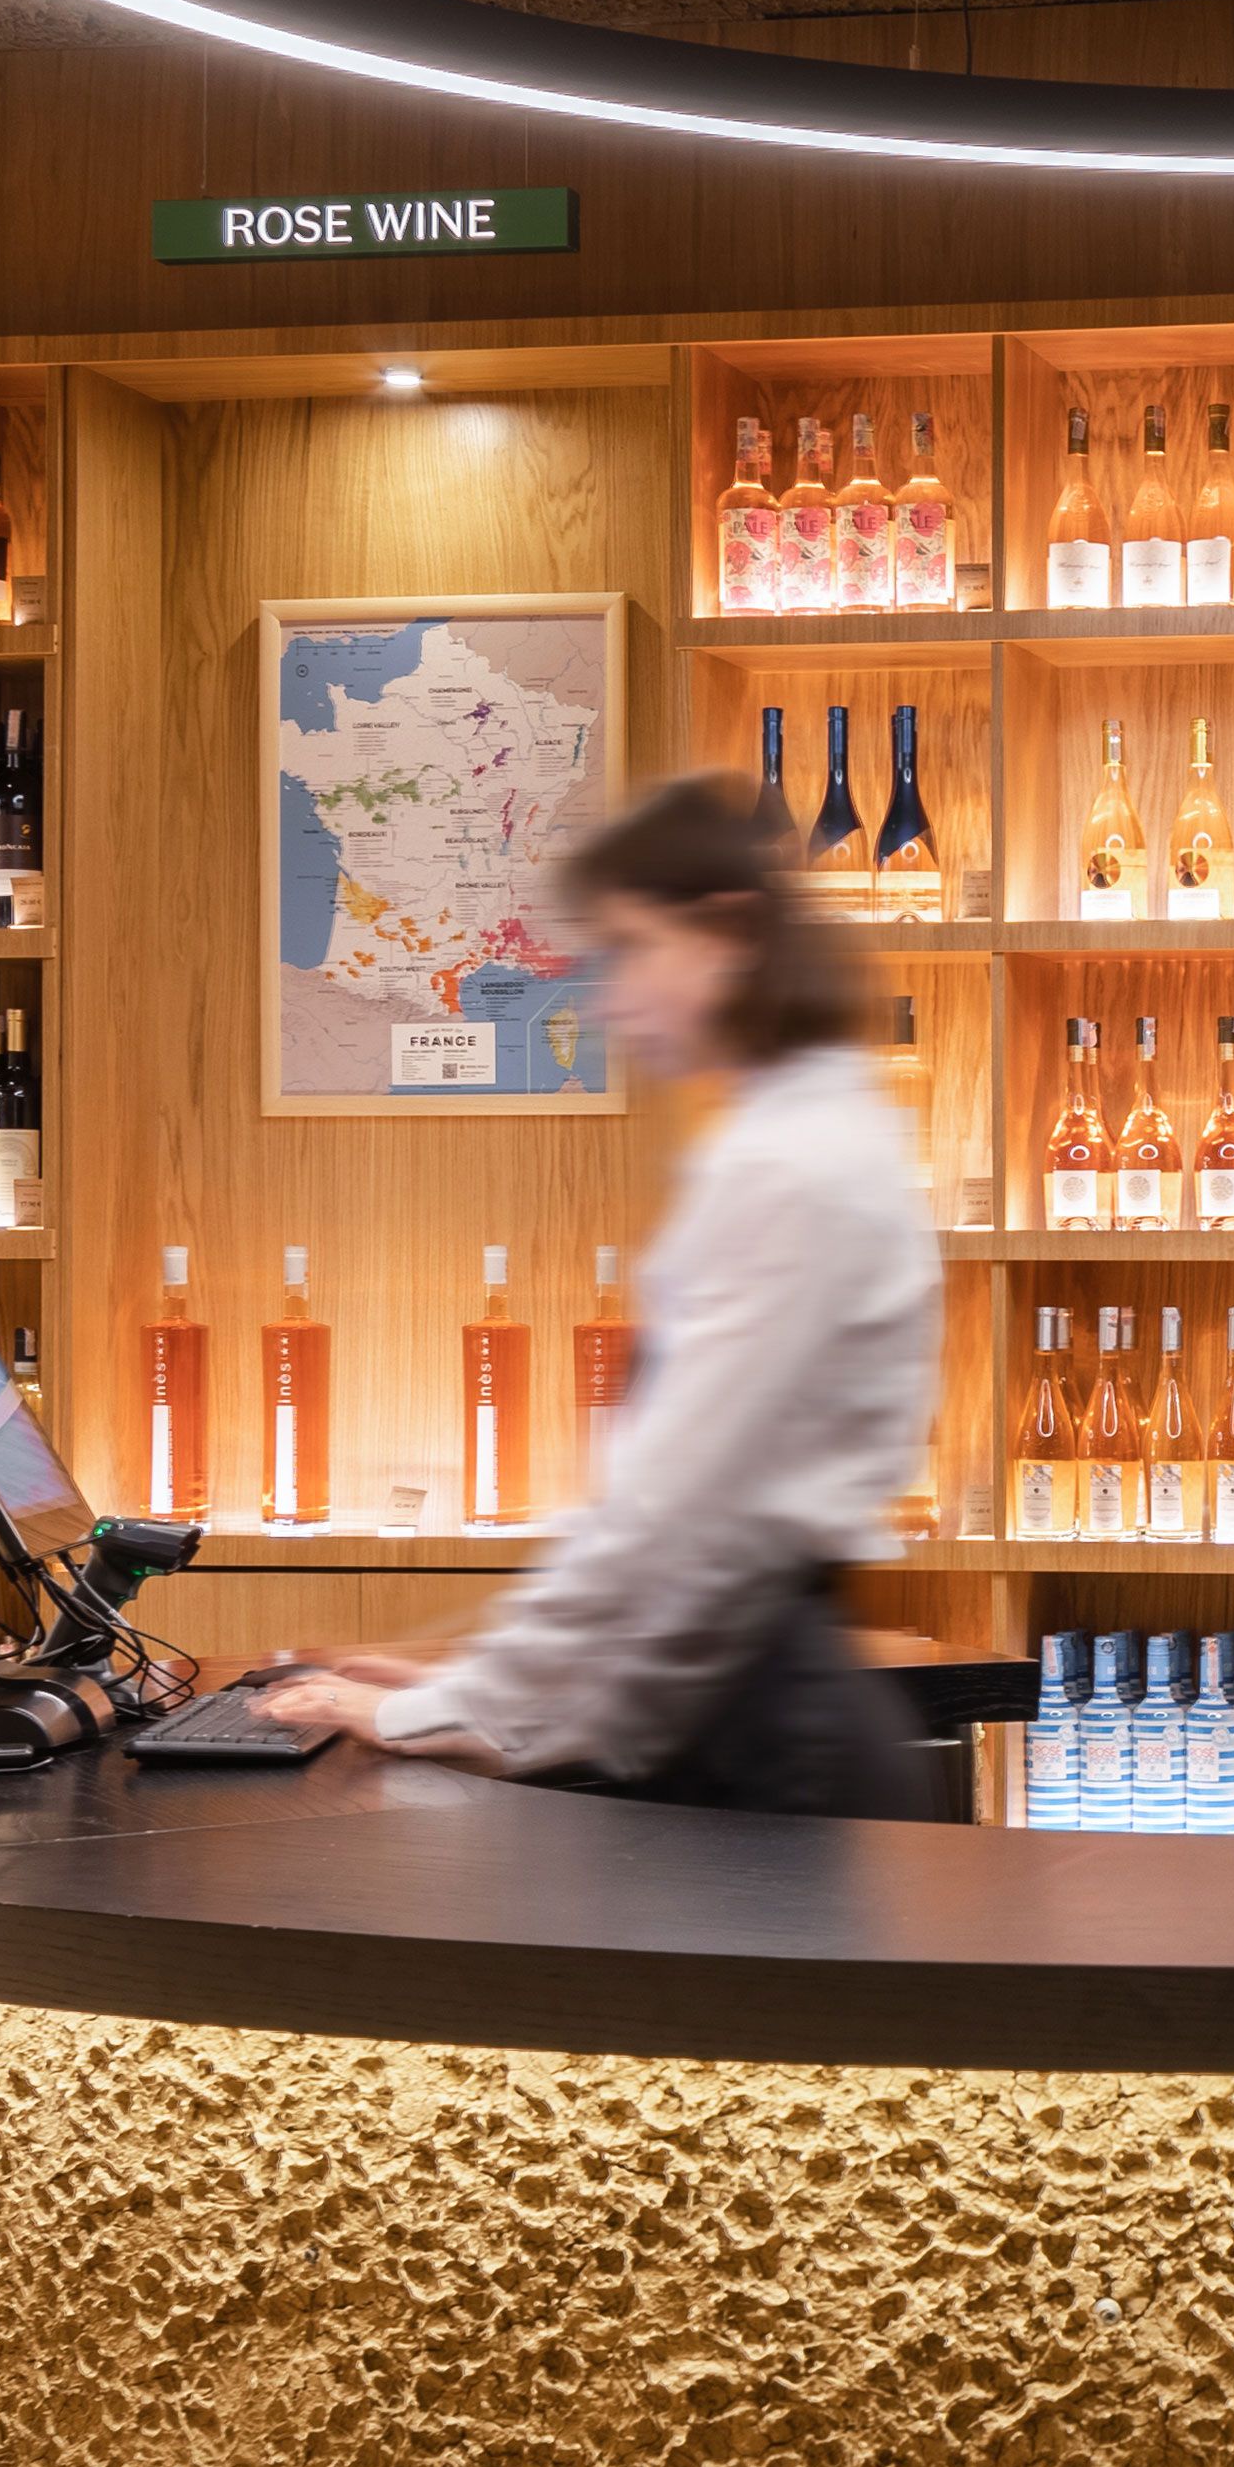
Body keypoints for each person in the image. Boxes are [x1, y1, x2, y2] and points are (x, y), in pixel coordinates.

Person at [260, 768, 940, 1810]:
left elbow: (669, 1517)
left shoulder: (788, 1165)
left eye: (629, 951)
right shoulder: (801, 1131)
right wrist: (470, 1686)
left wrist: (444, 1707)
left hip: (764, 1745)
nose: (609, 997)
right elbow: (669, 1546)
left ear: (728, 932)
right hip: (754, 1709)